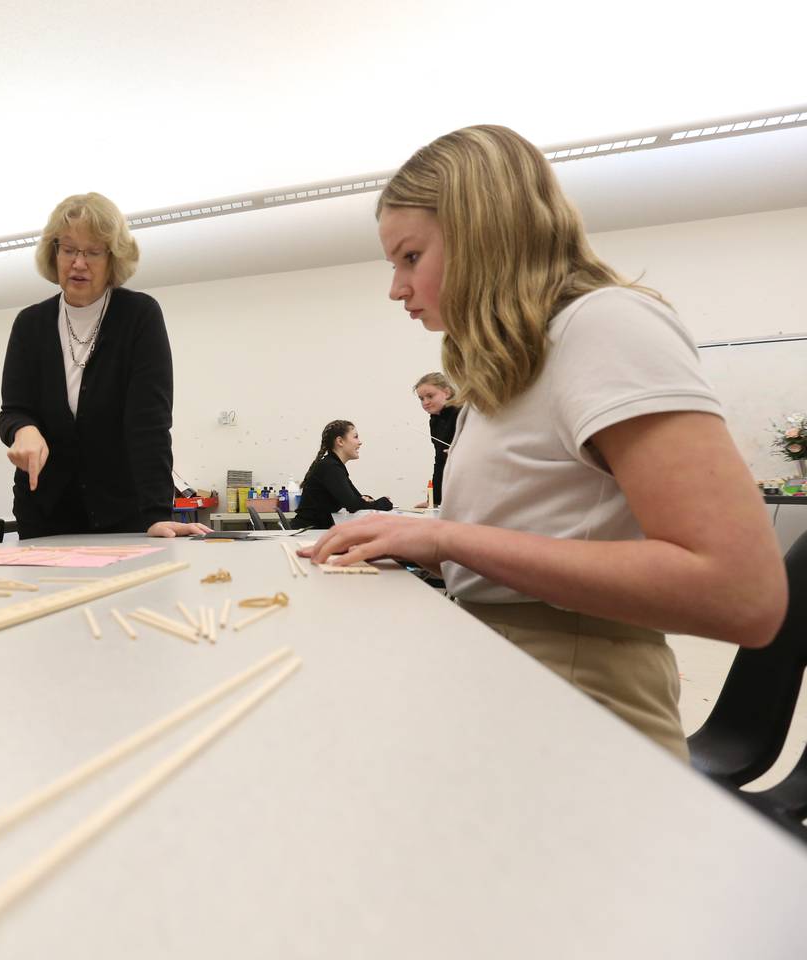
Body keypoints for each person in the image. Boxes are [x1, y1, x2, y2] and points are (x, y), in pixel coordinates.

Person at [303, 124, 787, 758]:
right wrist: (425, 545)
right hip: (511, 676)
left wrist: (449, 537)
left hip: (577, 693)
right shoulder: (510, 368)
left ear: (485, 234)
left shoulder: (603, 325)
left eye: (411, 257)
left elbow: (738, 593)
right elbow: (540, 529)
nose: (397, 288)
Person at [0, 192, 208, 540]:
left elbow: (149, 423)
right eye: (68, 249)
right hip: (44, 515)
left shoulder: (139, 316)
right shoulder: (29, 324)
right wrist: (24, 429)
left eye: (93, 252)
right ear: (54, 253)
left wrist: (157, 512)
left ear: (114, 258)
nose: (78, 263)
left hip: (124, 513)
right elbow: (14, 411)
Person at [292, 421, 393, 530]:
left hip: (316, 531)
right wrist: (382, 503)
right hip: (307, 532)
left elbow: (356, 499)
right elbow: (353, 505)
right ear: (340, 441)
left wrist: (367, 500)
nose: (360, 442)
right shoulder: (330, 467)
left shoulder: (335, 466)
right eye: (355, 437)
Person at [413, 372, 458, 508]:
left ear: (447, 392)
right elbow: (439, 460)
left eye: (430, 396)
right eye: (421, 398)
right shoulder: (434, 420)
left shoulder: (461, 412)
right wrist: (433, 500)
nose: (425, 402)